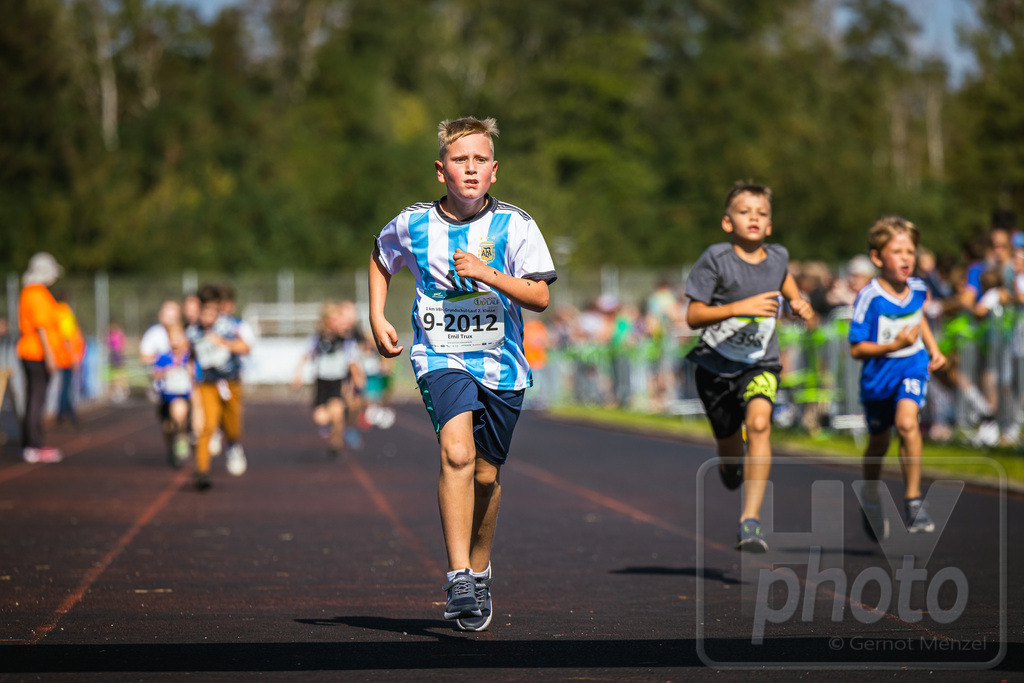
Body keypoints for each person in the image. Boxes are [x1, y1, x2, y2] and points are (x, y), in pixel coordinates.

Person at [368, 116, 556, 631]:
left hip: (502, 362)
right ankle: (458, 578)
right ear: (440, 169)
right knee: (457, 453)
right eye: (459, 160)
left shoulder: (516, 224)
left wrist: (488, 273)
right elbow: (382, 257)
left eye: (479, 161)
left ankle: (479, 565)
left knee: (487, 476)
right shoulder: (412, 223)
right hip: (440, 355)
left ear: (494, 171)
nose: (469, 169)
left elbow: (539, 296)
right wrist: (377, 315)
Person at [683, 182, 814, 552]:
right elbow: (693, 315)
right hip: (714, 367)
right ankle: (729, 463)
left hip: (760, 363)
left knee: (759, 424)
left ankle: (750, 521)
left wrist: (799, 302)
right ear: (728, 222)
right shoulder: (716, 259)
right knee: (729, 443)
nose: (754, 218)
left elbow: (783, 276)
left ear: (770, 226)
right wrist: (742, 307)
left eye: (761, 213)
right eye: (745, 212)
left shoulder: (778, 257)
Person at [849, 215, 946, 541]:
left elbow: (919, 322)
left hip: (911, 367)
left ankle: (913, 499)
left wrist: (933, 349)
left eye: (910, 251)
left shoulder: (919, 288)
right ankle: (872, 496)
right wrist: (893, 345)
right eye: (897, 251)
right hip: (878, 378)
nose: (906, 258)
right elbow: (857, 348)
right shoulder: (869, 297)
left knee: (907, 423)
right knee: (878, 442)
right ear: (877, 258)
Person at [186, 284, 250, 491]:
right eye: (205, 312)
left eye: (213, 312)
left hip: (230, 382)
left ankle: (233, 445)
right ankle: (202, 470)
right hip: (207, 384)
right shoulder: (193, 332)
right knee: (207, 426)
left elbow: (245, 347)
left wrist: (223, 343)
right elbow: (190, 357)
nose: (208, 317)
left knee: (232, 424)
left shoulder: (229, 327)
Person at [292, 301, 366, 456]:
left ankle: (336, 446)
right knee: (320, 418)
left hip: (337, 382)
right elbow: (305, 356)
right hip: (321, 383)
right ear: (326, 321)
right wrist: (298, 374)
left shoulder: (345, 340)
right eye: (333, 321)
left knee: (337, 413)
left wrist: (358, 377)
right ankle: (336, 430)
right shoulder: (317, 339)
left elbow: (352, 361)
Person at [17, 252, 68, 463]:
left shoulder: (31, 292)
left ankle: (31, 444)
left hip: (31, 351)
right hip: (36, 353)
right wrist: (50, 356)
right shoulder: (36, 293)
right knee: (37, 399)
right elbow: (41, 328)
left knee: (33, 398)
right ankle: (35, 445)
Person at [152, 323, 193, 467]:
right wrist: (165, 372)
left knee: (179, 412)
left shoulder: (189, 357)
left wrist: (189, 370)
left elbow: (197, 374)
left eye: (178, 338)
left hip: (183, 397)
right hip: (166, 398)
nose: (175, 341)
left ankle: (182, 439)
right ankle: (172, 447)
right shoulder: (163, 357)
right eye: (172, 338)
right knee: (167, 427)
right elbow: (155, 374)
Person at [53, 290, 86, 426]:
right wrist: (73, 357)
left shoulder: (56, 312)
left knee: (65, 385)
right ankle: (66, 413)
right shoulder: (64, 313)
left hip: (63, 355)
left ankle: (63, 413)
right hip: (66, 357)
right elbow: (67, 337)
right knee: (67, 386)